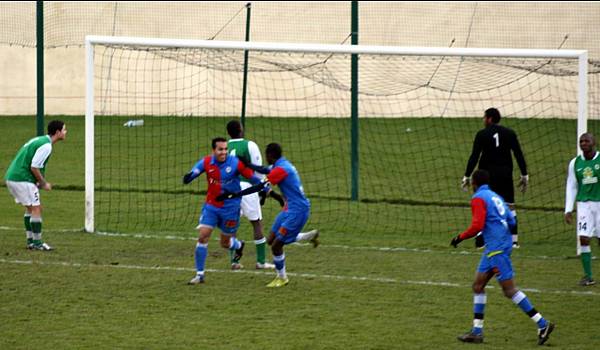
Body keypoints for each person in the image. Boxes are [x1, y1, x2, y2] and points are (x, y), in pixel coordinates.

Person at [451, 169, 554, 345]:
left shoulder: (478, 198)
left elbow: (476, 226)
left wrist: (459, 238)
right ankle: (477, 332)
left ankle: (542, 324)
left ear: (474, 183)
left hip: (497, 249)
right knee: (477, 285)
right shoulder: (495, 196)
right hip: (496, 247)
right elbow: (512, 221)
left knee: (509, 290)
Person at [217, 143, 319, 288]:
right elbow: (264, 169)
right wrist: (248, 164)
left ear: (270, 155)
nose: (265, 157)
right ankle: (305, 236)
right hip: (289, 208)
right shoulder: (282, 163)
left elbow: (259, 186)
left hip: (298, 211)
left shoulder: (281, 169)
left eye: (266, 155)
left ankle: (282, 277)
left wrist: (236, 194)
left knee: (277, 246)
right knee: (271, 239)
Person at [183, 137, 263, 284]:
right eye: (220, 149)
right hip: (212, 206)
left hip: (230, 208)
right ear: (214, 150)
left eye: (225, 149)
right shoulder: (207, 162)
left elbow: (251, 177)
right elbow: (195, 171)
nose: (224, 152)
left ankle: (239, 245)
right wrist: (189, 177)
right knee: (203, 236)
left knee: (225, 243)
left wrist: (264, 186)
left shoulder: (235, 163)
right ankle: (199, 275)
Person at [462, 107, 528, 248]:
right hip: (505, 174)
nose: (483, 120)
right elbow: (518, 154)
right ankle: (514, 241)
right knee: (510, 206)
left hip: (487, 176)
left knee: (485, 206)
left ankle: (481, 240)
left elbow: (475, 156)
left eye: (484, 117)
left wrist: (467, 175)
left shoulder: (482, 134)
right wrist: (524, 174)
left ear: (490, 119)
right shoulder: (510, 133)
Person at [226, 120, 284, 270]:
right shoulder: (249, 145)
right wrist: (264, 190)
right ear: (240, 129)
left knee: (232, 225)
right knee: (256, 223)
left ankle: (234, 261)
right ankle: (261, 261)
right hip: (247, 187)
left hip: (229, 188)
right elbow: (258, 172)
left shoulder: (224, 147)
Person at [4, 120, 68, 251]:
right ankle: (37, 243)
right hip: (22, 179)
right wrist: (43, 183)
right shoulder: (46, 146)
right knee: (36, 209)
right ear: (57, 132)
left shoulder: (39, 140)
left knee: (30, 208)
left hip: (12, 177)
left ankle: (31, 242)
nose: (66, 132)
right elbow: (34, 167)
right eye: (64, 129)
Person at [565, 132, 600, 286]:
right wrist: (568, 209)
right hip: (584, 205)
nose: (583, 143)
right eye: (581, 141)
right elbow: (571, 187)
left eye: (587, 141)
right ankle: (588, 276)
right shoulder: (575, 163)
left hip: (599, 203)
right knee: (583, 238)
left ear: (594, 142)